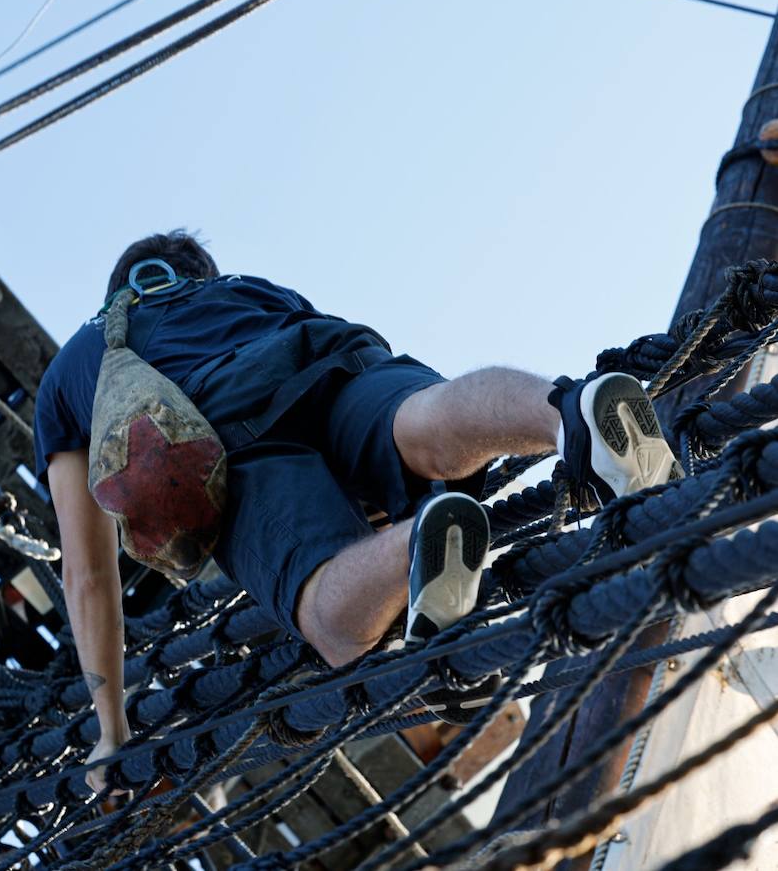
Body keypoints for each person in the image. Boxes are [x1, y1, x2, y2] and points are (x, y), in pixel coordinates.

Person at [34, 231, 681, 791]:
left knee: (333, 620)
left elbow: (88, 575)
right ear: (195, 272)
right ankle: (567, 411)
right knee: (423, 423)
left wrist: (112, 727)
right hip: (327, 348)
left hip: (225, 431)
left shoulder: (74, 369)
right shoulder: (249, 288)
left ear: (114, 290)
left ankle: (415, 546)